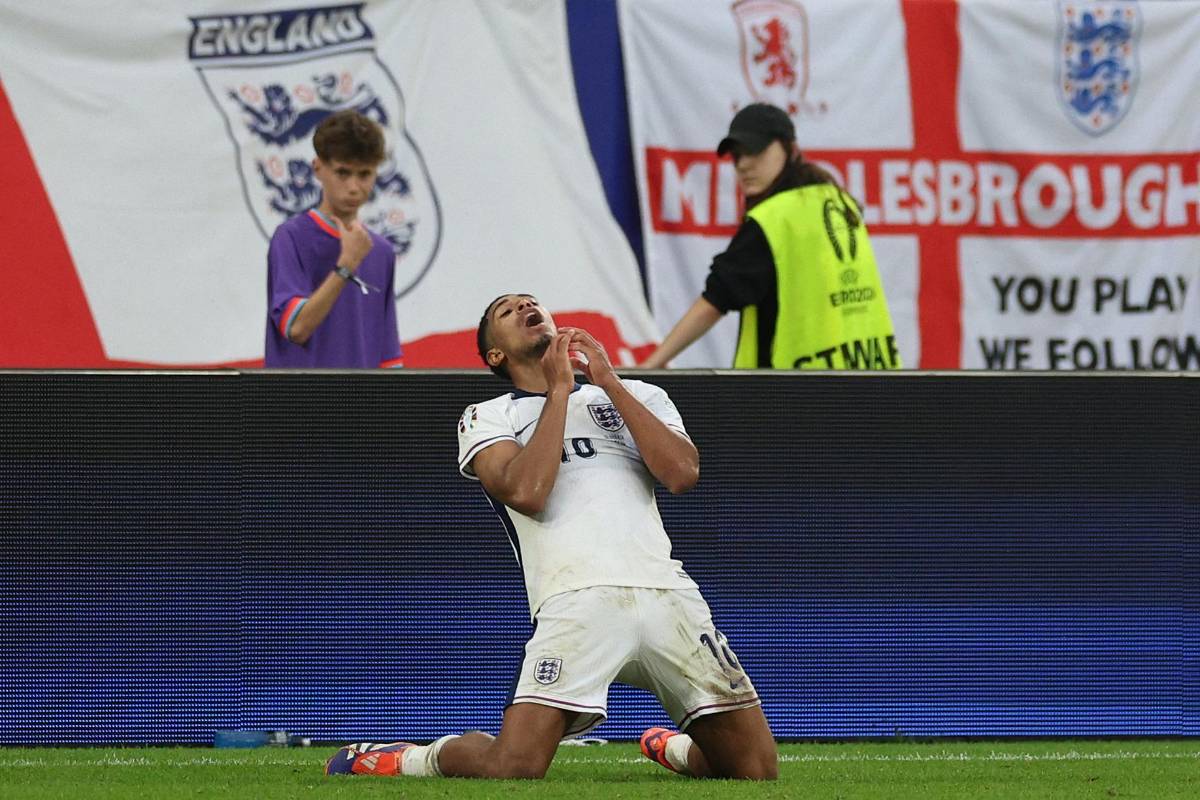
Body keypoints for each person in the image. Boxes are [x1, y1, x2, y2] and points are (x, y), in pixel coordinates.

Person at [325, 293, 778, 781]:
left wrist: (608, 381)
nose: (525, 308)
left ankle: (673, 748)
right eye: (507, 311)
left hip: (668, 594)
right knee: (514, 766)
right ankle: (406, 759)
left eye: (531, 303)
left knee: (754, 770)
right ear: (495, 354)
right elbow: (527, 492)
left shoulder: (639, 394)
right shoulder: (488, 415)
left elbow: (682, 474)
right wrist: (559, 392)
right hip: (576, 600)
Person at [641, 103, 901, 370]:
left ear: (790, 148)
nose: (743, 165)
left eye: (755, 150)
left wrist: (651, 366)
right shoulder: (838, 201)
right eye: (736, 155)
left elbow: (715, 300)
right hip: (871, 378)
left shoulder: (773, 219)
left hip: (793, 389)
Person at [264, 110, 404, 368]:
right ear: (318, 168)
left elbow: (388, 358)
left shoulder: (381, 251)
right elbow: (296, 328)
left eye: (364, 174)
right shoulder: (291, 238)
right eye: (342, 172)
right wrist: (346, 266)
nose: (354, 187)